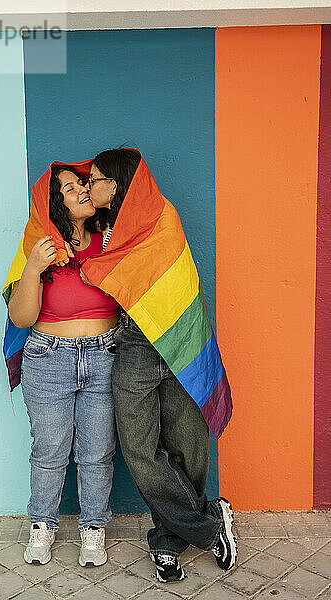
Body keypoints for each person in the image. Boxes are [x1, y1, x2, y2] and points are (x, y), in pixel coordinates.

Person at [80, 148, 237, 584]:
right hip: (132, 343)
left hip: (179, 338)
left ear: (117, 184)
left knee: (189, 446)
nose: (90, 186)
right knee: (139, 449)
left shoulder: (160, 216)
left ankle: (167, 542)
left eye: (95, 179)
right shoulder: (100, 230)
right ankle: (210, 523)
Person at [6, 164, 119, 567]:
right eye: (70, 189)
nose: (82, 191)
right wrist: (34, 268)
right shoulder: (40, 247)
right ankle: (42, 526)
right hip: (48, 356)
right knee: (50, 449)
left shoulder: (111, 240)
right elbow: (21, 319)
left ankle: (93, 528)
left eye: (83, 184)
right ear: (55, 204)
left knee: (97, 451)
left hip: (105, 355)